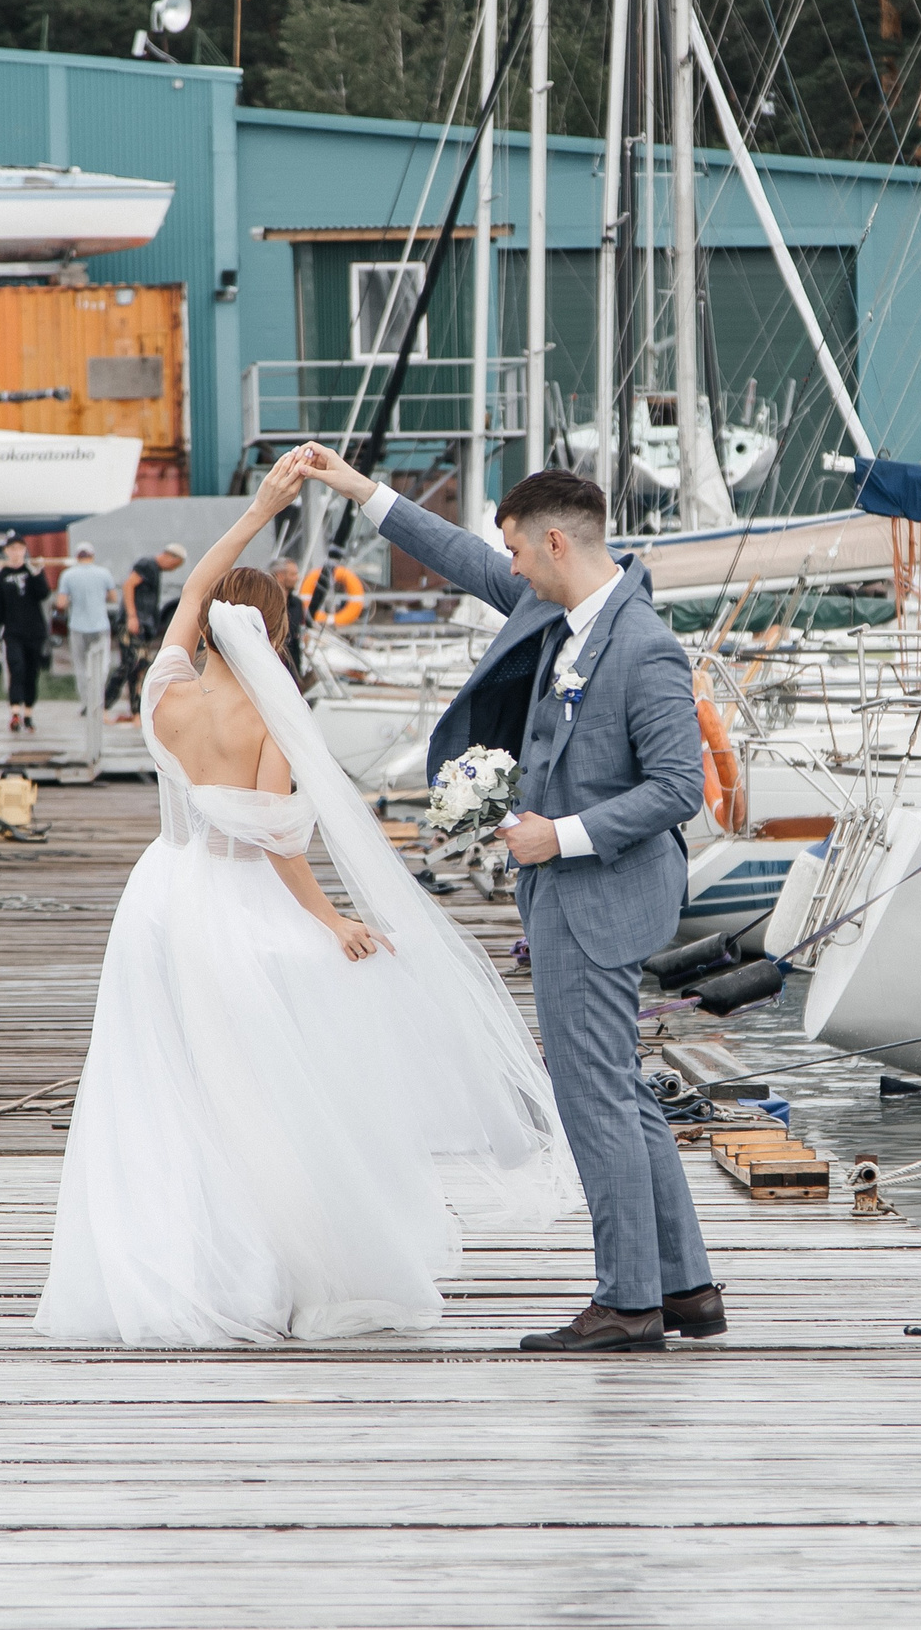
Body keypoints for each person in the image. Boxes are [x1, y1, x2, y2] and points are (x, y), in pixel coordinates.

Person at [34, 450, 571, 1346]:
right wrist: (335, 921)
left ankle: (161, 1255)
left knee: (157, 1087)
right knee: (259, 1091)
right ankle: (271, 1263)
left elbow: (197, 586)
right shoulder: (272, 718)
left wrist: (257, 511)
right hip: (231, 904)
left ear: (207, 624)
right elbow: (277, 842)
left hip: (157, 896)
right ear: (274, 636)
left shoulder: (164, 691)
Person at [294, 444, 719, 1354]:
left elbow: (681, 788)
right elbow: (462, 554)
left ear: (557, 542)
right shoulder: (556, 602)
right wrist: (358, 488)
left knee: (591, 1096)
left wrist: (555, 835)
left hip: (596, 893)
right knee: (627, 1093)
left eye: (521, 553)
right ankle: (685, 1287)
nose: (511, 569)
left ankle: (628, 1303)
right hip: (573, 893)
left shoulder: (644, 646)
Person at [106, 542, 187, 720]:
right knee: (130, 664)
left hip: (142, 625)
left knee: (139, 666)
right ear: (170, 557)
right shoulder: (147, 564)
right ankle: (105, 706)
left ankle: (136, 712)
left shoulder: (155, 569)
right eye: (175, 566)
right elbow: (128, 585)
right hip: (133, 623)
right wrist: (132, 617)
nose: (173, 570)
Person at [55, 542, 117, 761]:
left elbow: (61, 603)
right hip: (100, 625)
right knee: (102, 664)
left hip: (78, 625)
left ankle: (86, 703)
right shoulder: (103, 573)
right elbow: (113, 598)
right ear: (92, 555)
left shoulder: (68, 575)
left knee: (81, 667)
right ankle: (99, 702)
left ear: (77, 556)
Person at [0, 537, 51, 732]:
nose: (16, 553)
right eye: (12, 549)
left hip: (35, 632)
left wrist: (37, 574)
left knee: (32, 672)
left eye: (20, 549)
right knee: (17, 669)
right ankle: (14, 712)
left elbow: (44, 594)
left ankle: (29, 714)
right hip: (13, 632)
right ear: (7, 551)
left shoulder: (31, 572)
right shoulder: (0, 577)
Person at [270, 554, 313, 691]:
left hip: (293, 667)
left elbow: (301, 629)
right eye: (293, 574)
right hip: (272, 668)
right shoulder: (267, 603)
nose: (297, 578)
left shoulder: (297, 604)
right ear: (280, 576)